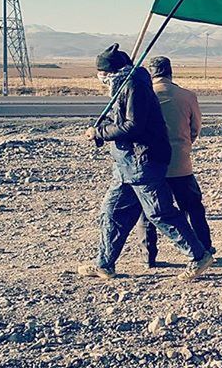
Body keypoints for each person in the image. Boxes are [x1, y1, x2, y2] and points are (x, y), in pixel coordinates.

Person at [78, 44, 214, 282]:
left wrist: (99, 133)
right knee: (112, 213)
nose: (99, 77)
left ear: (108, 71)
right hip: (125, 166)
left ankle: (198, 256)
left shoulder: (133, 86)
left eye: (100, 72)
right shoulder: (124, 86)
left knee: (160, 213)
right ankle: (104, 263)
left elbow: (133, 126)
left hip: (143, 163)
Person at [136, 56, 213, 267]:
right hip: (180, 163)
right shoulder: (187, 96)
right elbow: (195, 127)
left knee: (150, 210)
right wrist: (184, 144)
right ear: (170, 72)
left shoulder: (143, 95)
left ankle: (148, 256)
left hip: (150, 164)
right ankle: (204, 247)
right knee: (194, 208)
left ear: (151, 73)